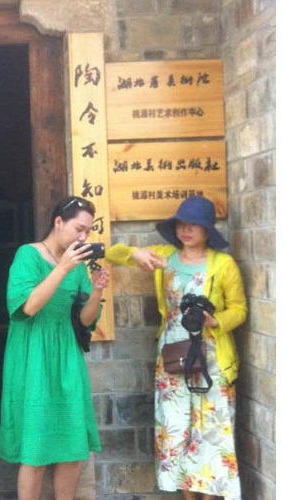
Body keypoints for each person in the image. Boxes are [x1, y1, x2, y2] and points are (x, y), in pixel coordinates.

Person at [105, 196, 247, 500]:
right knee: (175, 428)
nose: (186, 230)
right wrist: (136, 253)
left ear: (208, 230)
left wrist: (215, 321)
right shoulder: (164, 257)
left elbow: (239, 309)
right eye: (181, 224)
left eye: (194, 225)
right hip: (172, 355)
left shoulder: (223, 264)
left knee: (211, 430)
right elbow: (113, 254)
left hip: (212, 357)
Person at [0, 196, 110, 500]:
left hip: (67, 357)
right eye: (78, 229)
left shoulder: (77, 265)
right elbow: (28, 306)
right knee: (35, 450)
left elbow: (85, 320)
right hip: (32, 355)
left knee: (72, 448)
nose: (83, 237)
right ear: (58, 222)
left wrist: (96, 290)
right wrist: (61, 268)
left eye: (87, 232)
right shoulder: (28, 255)